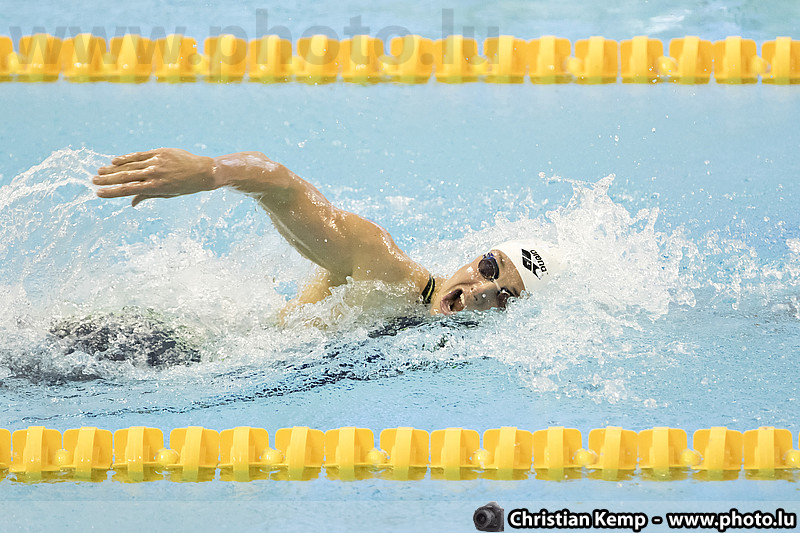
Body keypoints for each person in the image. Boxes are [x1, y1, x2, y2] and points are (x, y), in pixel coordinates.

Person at [93, 148, 561, 321]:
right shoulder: (389, 270)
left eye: (505, 298)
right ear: (475, 257)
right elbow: (282, 184)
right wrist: (212, 172)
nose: (480, 291)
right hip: (174, 352)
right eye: (489, 268)